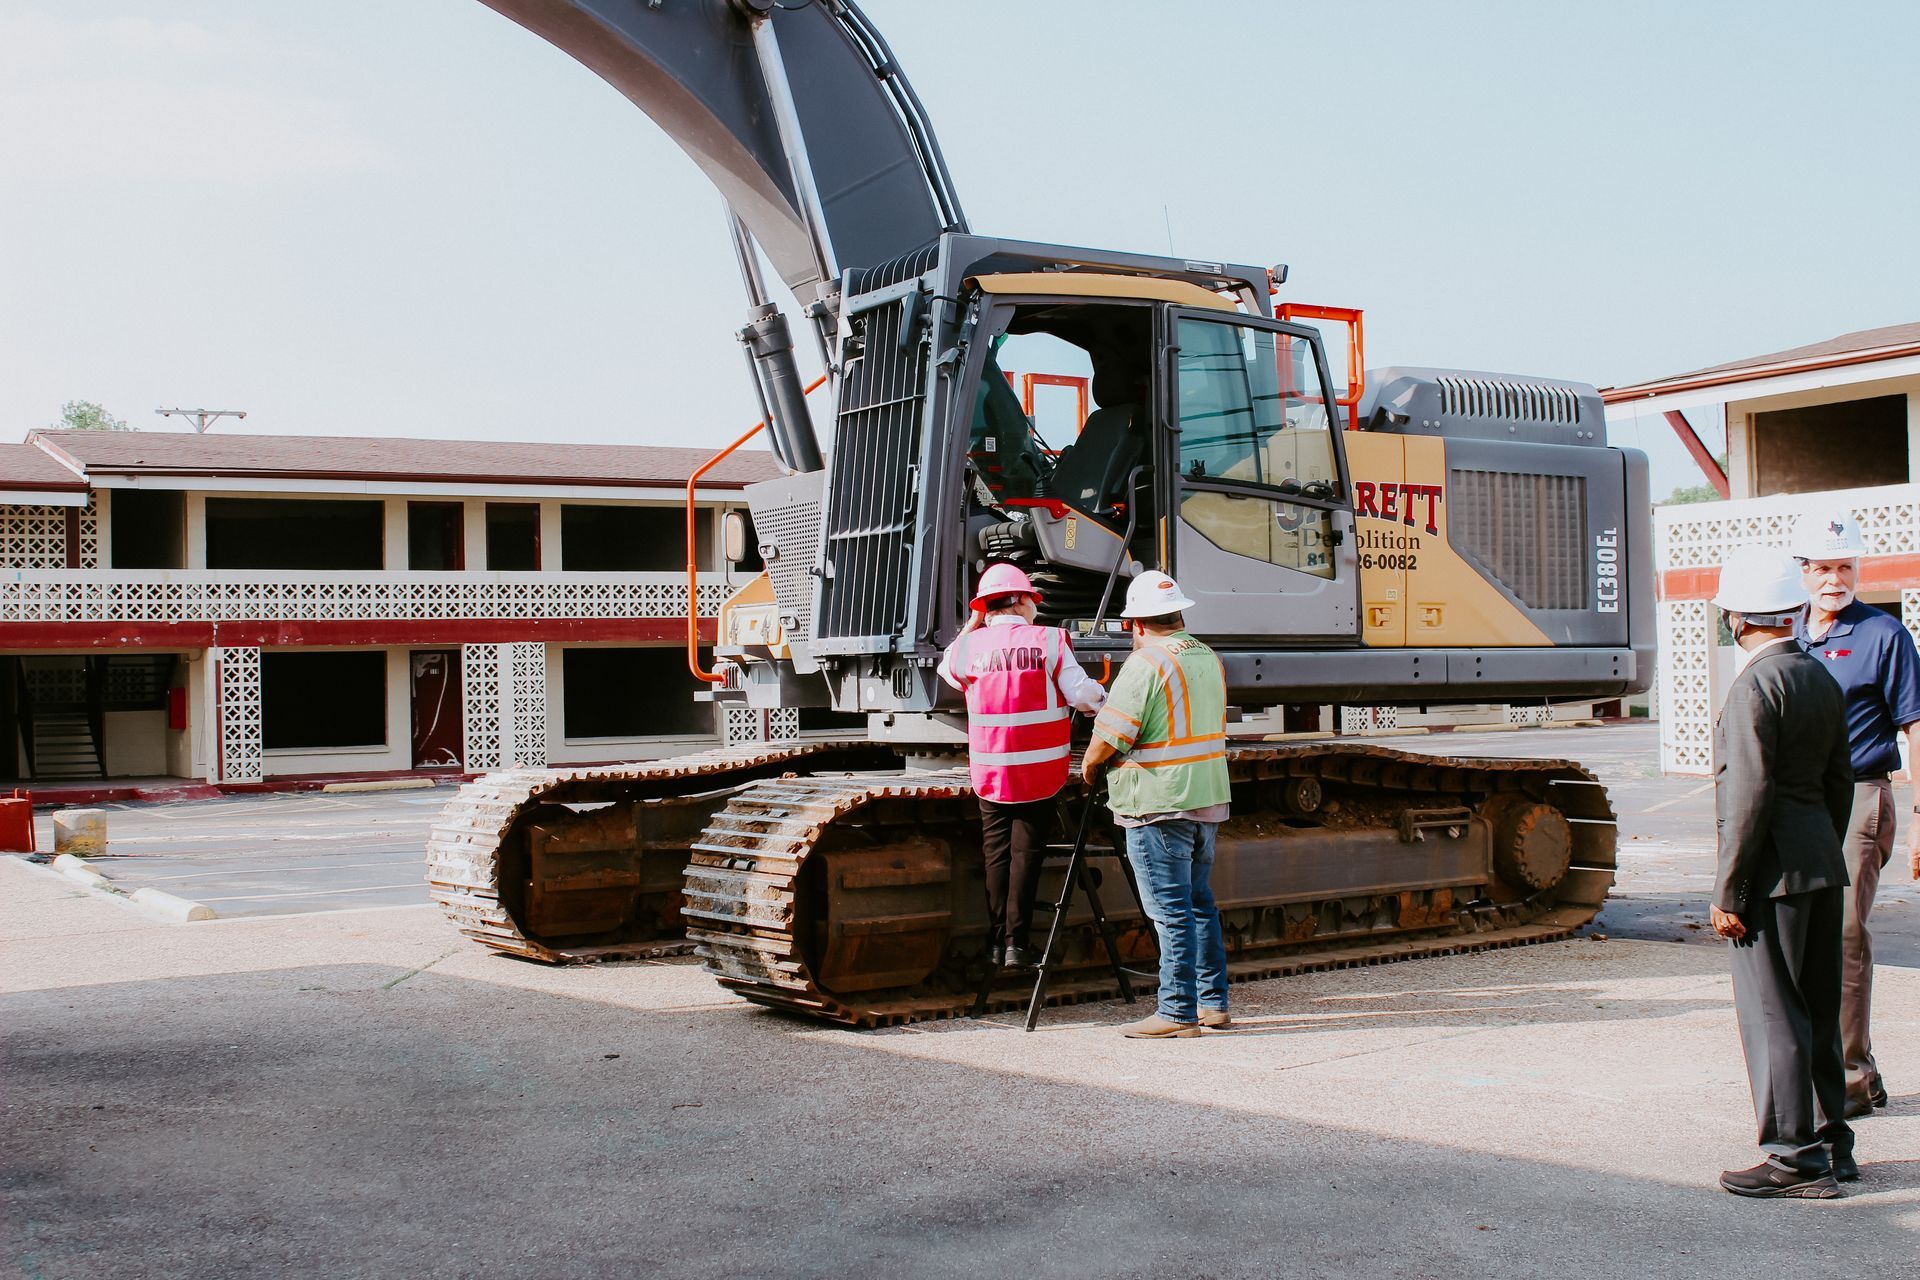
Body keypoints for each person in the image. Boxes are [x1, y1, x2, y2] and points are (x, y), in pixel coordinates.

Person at [1709, 545, 1855, 1198]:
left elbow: (1748, 797)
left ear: (1736, 619)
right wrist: (1822, 847)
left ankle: (1793, 1159)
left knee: (1775, 1016)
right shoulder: (1819, 676)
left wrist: (1730, 891)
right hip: (1821, 864)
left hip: (1772, 879)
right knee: (1819, 1011)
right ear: (1794, 612)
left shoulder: (1753, 686)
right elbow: (1839, 782)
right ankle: (1833, 1145)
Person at [1791, 508, 1920, 1118]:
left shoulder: (1884, 635)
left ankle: (1849, 1076)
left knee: (1843, 931)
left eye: (1844, 567)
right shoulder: (1788, 635)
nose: (1833, 579)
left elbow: (1914, 727)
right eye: (1822, 568)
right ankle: (1816, 1066)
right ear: (1804, 572)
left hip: (1861, 794)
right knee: (1798, 932)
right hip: (1798, 798)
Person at [1081, 571, 1231, 1039]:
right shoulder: (1207, 655)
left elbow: (1112, 734)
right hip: (1206, 796)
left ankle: (1176, 1013)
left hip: (1158, 801)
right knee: (1199, 904)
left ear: (1135, 625)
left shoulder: (1146, 663)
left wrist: (1089, 769)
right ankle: (1212, 1004)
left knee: (1170, 912)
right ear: (1178, 614)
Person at [938, 562, 1105, 969]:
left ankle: (996, 944)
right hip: (1039, 770)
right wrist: (1102, 697)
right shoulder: (1049, 640)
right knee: (1025, 854)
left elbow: (946, 669)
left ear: (986, 607)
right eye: (1033, 598)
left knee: (995, 854)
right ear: (1023, 600)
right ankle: (1016, 944)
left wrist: (972, 623)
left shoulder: (969, 648)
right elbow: (1081, 694)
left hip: (992, 772)